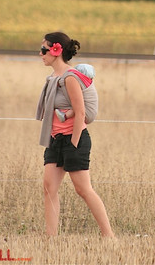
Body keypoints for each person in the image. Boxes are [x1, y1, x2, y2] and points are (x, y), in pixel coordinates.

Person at [35, 31, 114, 238]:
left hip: (74, 138)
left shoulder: (69, 77)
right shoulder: (53, 78)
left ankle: (109, 236)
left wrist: (74, 143)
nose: (40, 53)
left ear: (56, 50)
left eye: (44, 49)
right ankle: (50, 239)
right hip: (55, 139)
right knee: (48, 188)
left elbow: (80, 113)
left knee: (83, 189)